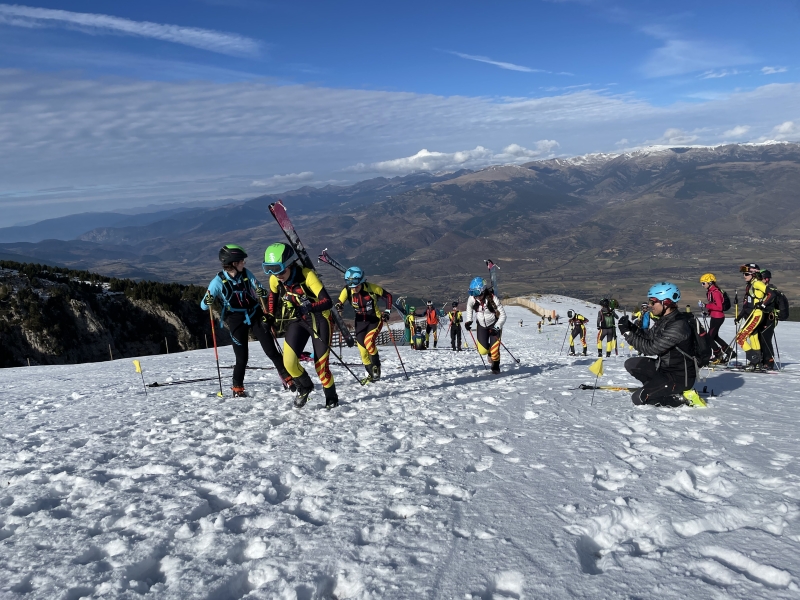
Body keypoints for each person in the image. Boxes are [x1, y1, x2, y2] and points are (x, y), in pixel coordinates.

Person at [201, 244, 292, 398]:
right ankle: (237, 388)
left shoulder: (246, 273)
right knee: (242, 357)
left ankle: (288, 378)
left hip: (255, 313)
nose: (244, 263)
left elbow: (260, 288)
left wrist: (261, 291)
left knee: (271, 350)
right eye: (241, 261)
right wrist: (208, 300)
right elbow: (204, 305)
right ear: (234, 263)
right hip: (236, 319)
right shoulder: (217, 281)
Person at [263, 242, 340, 409]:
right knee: (288, 362)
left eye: (279, 269)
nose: (276, 274)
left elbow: (327, 301)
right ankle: (305, 386)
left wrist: (309, 307)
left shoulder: (307, 276)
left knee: (321, 367)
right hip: (300, 319)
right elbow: (273, 297)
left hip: (320, 318)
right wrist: (269, 316)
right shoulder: (275, 278)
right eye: (269, 269)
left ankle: (331, 398)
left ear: (290, 264)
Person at [617, 282, 704, 407]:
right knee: (631, 364)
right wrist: (631, 328)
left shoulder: (678, 326)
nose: (650, 305)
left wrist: (627, 334)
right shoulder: (665, 320)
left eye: (653, 302)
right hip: (664, 370)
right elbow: (648, 337)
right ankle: (657, 387)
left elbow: (650, 348)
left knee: (638, 398)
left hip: (678, 378)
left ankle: (679, 398)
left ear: (666, 302)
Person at [336, 266, 392, 383]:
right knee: (362, 350)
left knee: (368, 342)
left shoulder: (371, 288)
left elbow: (388, 296)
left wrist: (387, 311)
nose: (354, 289)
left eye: (356, 285)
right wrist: (339, 307)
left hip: (374, 320)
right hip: (360, 322)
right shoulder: (347, 290)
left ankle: (376, 367)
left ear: (361, 281)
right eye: (351, 286)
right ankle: (370, 373)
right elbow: (339, 302)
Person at [465, 277, 507, 374]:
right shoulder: (472, 299)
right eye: (472, 293)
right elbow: (469, 307)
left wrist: (497, 327)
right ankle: (489, 353)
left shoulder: (493, 299)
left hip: (494, 325)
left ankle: (495, 365)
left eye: (476, 293)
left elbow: (503, 315)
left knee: (495, 351)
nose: (475, 296)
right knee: (482, 351)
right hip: (481, 325)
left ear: (483, 291)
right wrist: (469, 320)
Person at [736, 264, 771, 369]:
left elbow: (771, 294)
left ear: (753, 274)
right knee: (753, 337)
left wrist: (763, 304)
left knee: (740, 338)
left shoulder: (756, 283)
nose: (744, 276)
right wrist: (740, 316)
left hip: (756, 315)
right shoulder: (751, 284)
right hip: (753, 314)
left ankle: (754, 359)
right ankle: (757, 362)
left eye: (746, 274)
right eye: (743, 274)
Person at [699, 273, 732, 363]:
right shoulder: (711, 292)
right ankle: (729, 352)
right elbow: (714, 305)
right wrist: (708, 312)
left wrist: (705, 305)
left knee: (709, 338)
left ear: (710, 282)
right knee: (715, 336)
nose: (702, 285)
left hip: (718, 317)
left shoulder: (715, 292)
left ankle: (718, 354)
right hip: (714, 316)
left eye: (703, 283)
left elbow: (719, 307)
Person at [760, 269, 779, 369]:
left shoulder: (771, 290)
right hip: (763, 318)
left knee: (766, 339)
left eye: (761, 278)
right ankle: (763, 360)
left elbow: (771, 305)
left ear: (766, 279)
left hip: (770, 318)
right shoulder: (763, 289)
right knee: (761, 338)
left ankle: (769, 361)